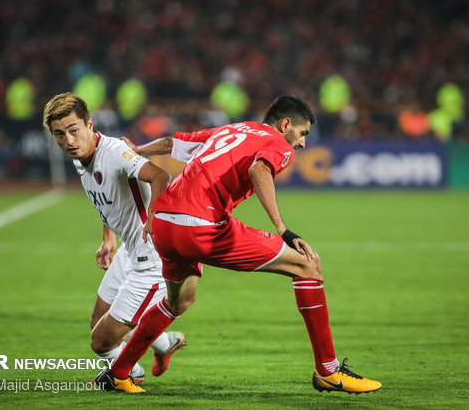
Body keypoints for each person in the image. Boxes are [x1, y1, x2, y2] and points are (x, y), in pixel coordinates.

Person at [96, 94, 382, 394]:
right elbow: (259, 170)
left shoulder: (234, 129)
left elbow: (171, 143)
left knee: (178, 301)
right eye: (302, 133)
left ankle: (118, 373)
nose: (302, 143)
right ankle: (329, 371)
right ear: (286, 124)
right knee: (307, 264)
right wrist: (283, 229)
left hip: (164, 224)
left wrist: (138, 149)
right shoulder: (278, 144)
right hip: (200, 226)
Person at [43, 93, 186, 393]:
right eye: (59, 134)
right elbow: (106, 200)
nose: (68, 140)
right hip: (127, 251)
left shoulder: (115, 152)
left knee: (101, 342)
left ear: (89, 124)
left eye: (73, 130)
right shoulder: (81, 156)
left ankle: (129, 371)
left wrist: (154, 219)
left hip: (152, 258)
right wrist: (108, 237)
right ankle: (164, 344)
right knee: (98, 322)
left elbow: (160, 176)